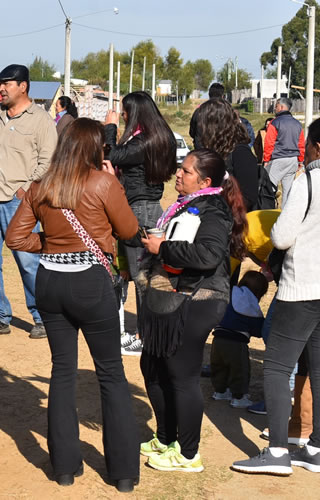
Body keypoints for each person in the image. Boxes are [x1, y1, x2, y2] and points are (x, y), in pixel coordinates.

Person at [6, 118, 140, 492]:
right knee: (111, 374)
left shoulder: (41, 185)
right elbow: (129, 230)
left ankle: (64, 468)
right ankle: (123, 473)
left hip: (49, 281)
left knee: (62, 371)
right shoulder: (103, 182)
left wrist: (50, 246)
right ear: (94, 147)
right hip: (91, 281)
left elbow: (15, 237)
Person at [138, 148, 248, 473]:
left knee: (182, 376)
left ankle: (188, 455)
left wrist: (165, 248)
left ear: (206, 181)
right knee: (153, 364)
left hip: (200, 300)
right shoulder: (185, 205)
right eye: (180, 169)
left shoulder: (213, 210)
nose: (178, 175)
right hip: (173, 296)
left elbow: (209, 256)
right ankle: (166, 437)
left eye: (186, 171)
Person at [232, 118, 320, 476]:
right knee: (318, 370)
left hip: (301, 288)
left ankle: (279, 453)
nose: (306, 151)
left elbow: (282, 237)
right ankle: (314, 448)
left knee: (278, 366)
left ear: (317, 147)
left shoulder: (308, 180)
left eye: (309, 145)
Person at [0, 64, 58, 339]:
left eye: (6, 83)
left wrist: (27, 190)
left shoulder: (41, 120)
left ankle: (43, 318)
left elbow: (49, 161)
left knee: (28, 261)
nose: (1, 89)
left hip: (19, 203)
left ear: (23, 86)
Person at [105, 91, 177, 355]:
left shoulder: (144, 140)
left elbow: (112, 154)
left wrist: (110, 127)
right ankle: (145, 332)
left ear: (134, 112)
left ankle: (146, 335)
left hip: (141, 210)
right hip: (144, 207)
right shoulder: (157, 136)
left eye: (124, 111)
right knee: (141, 274)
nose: (122, 115)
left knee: (142, 275)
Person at [209, 270, 268, 408]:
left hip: (217, 338)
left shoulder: (230, 294)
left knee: (219, 367)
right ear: (260, 292)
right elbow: (259, 330)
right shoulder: (251, 305)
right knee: (239, 370)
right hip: (237, 342)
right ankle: (239, 397)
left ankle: (220, 391)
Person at [199, 99, 261, 211]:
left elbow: (248, 197)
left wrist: (217, 209)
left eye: (203, 123)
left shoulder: (240, 153)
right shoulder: (214, 150)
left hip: (231, 222)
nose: (200, 128)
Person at [263, 97, 305, 207]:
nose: (275, 109)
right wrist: (300, 160)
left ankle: (268, 212)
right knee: (288, 191)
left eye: (276, 106)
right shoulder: (297, 124)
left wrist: (266, 160)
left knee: (268, 188)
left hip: (278, 159)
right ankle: (285, 216)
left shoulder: (274, 123)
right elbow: (301, 144)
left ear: (281, 107)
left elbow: (269, 143)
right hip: (293, 160)